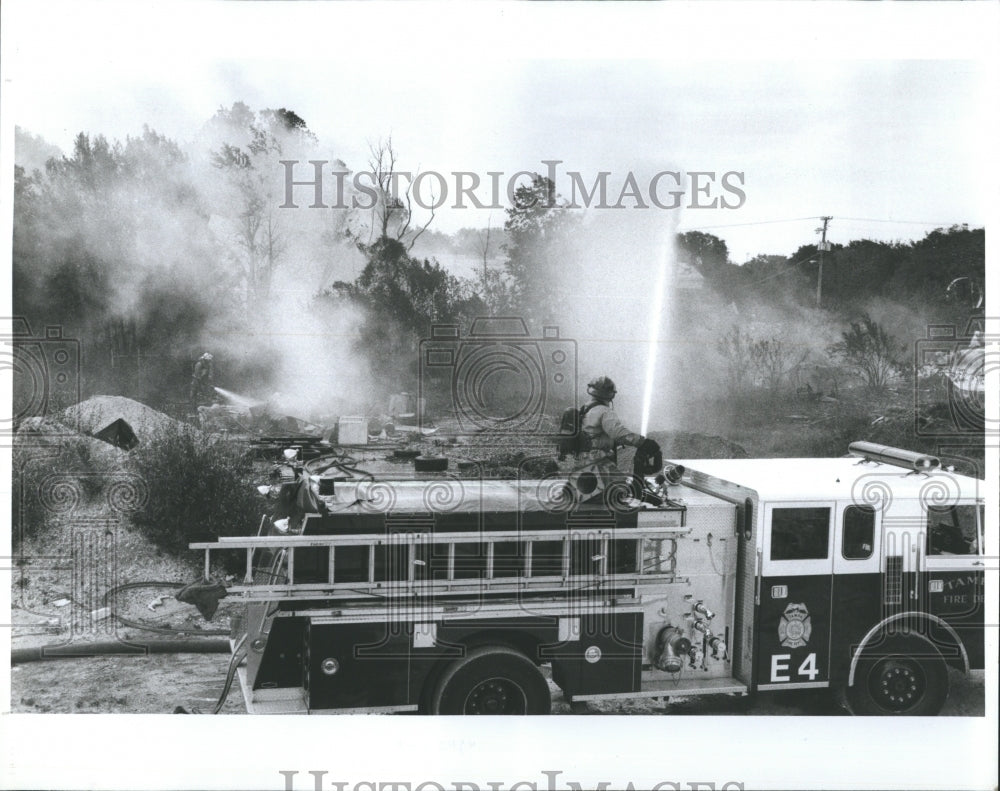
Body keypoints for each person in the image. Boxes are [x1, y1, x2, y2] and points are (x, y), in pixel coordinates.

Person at [579, 375, 661, 472]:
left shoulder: (585, 408)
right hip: (598, 462)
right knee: (619, 486)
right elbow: (618, 433)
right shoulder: (605, 411)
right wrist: (643, 442)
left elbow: (594, 432)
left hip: (585, 459)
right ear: (609, 394)